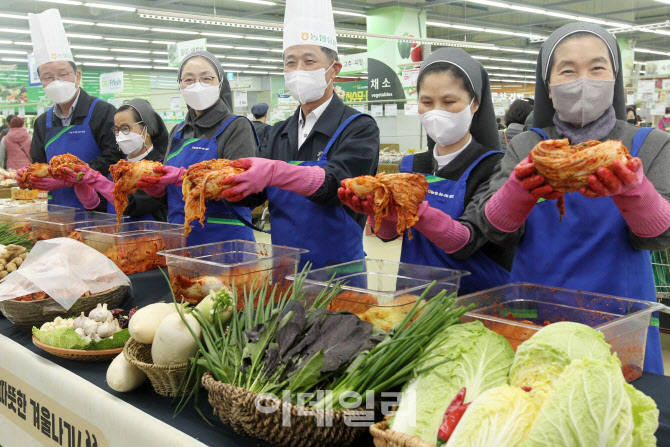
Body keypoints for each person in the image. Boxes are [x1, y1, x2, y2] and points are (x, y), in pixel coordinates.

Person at [477, 23, 670, 374]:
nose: (583, 80)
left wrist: (635, 191)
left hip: (619, 319)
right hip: (534, 310)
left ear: (614, 80)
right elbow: (494, 230)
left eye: (597, 68)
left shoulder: (650, 144)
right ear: (548, 87)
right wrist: (517, 194)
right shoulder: (525, 146)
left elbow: (659, 237)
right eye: (567, 70)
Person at [219, 0, 380, 270]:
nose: (298, 71)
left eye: (309, 61)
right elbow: (257, 196)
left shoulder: (359, 127)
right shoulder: (280, 131)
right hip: (284, 268)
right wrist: (226, 187)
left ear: (334, 70)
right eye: (290, 63)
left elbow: (335, 185)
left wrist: (275, 172)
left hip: (337, 270)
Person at [339, 48, 512, 295]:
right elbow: (389, 236)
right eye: (427, 102)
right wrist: (380, 213)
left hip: (472, 300)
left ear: (475, 104)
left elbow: (467, 242)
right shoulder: (410, 166)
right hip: (415, 298)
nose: (436, 112)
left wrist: (410, 207)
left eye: (449, 102)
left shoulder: (495, 167)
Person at [135, 51, 258, 245]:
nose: (197, 85)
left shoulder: (237, 126)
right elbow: (170, 193)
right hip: (181, 237)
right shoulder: (178, 131)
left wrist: (182, 178)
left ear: (219, 82)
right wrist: (158, 190)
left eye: (206, 78)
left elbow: (238, 188)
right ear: (180, 86)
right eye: (189, 80)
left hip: (224, 239)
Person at [22, 9, 119, 208]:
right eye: (48, 77)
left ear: (77, 76)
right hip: (59, 207)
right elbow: (39, 161)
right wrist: (31, 175)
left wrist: (72, 177)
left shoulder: (103, 111)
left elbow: (113, 156)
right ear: (41, 82)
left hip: (100, 205)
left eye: (63, 74)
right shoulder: (43, 122)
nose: (56, 81)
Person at [65, 99, 169, 222]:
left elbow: (132, 206)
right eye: (117, 129)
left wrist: (97, 179)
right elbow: (107, 210)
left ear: (147, 129)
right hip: (118, 236)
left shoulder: (159, 167)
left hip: (148, 237)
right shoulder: (118, 167)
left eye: (125, 128)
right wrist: (88, 195)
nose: (120, 135)